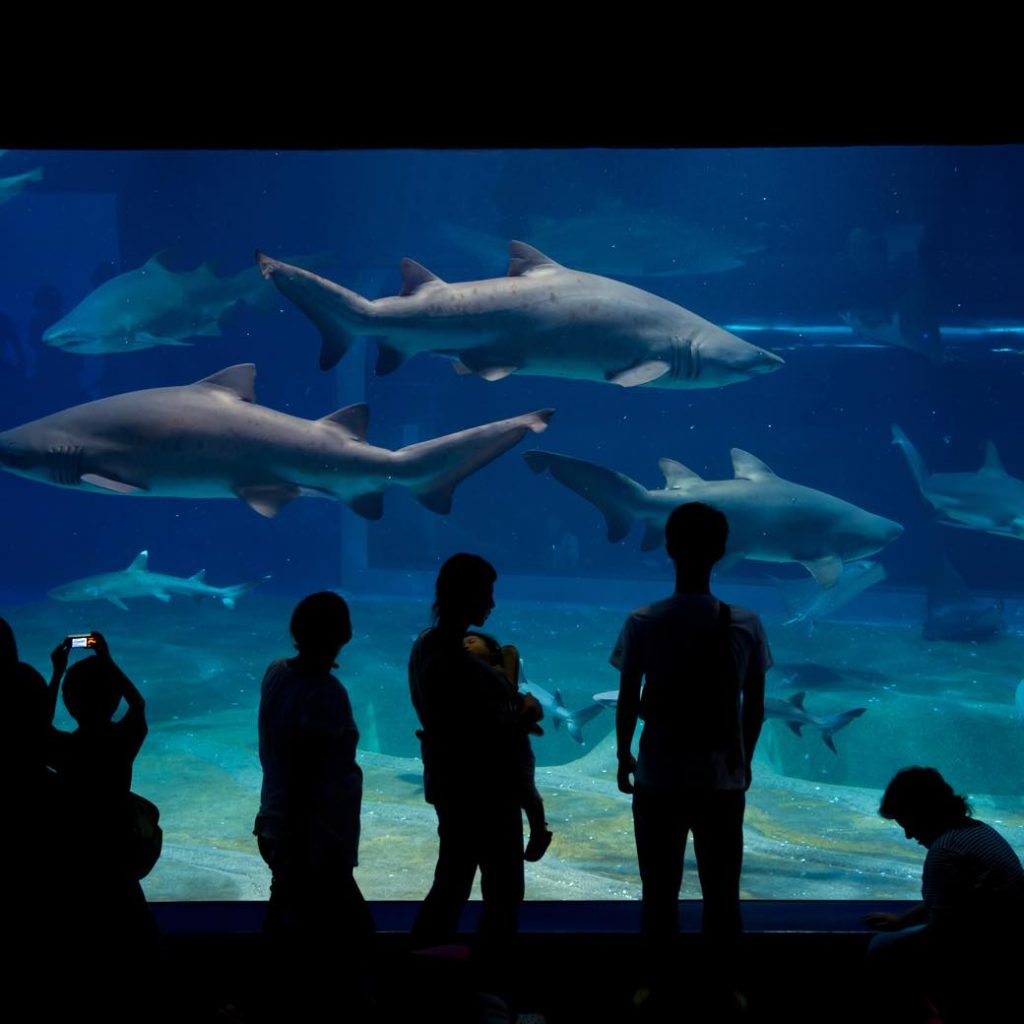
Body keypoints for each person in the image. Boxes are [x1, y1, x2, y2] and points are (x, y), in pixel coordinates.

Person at [612, 502, 771, 1014]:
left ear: (668, 547)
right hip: (722, 781)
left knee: (658, 891)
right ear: (722, 550)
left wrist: (623, 755)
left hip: (658, 777)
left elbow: (628, 698)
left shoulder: (642, 621)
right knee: (722, 893)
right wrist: (744, 762)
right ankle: (726, 989)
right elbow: (755, 706)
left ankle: (655, 987)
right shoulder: (747, 623)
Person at [409, 554, 537, 978]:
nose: (492, 604)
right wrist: (522, 711)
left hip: (449, 785)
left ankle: (425, 978)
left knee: (451, 882)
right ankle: (488, 983)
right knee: (502, 893)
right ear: (466, 596)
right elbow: (483, 731)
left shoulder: (424, 645)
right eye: (486, 594)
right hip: (487, 790)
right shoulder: (459, 663)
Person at [253, 591, 374, 1016]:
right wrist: (304, 844)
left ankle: (266, 1003)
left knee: (288, 920)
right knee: (349, 936)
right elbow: (309, 772)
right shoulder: (325, 694)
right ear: (343, 635)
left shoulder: (276, 673)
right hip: (311, 838)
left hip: (274, 821)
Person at [46, 631, 159, 1019]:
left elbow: (37, 729)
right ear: (113, 701)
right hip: (117, 859)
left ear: (68, 702)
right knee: (132, 932)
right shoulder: (122, 742)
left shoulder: (66, 750)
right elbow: (138, 704)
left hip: (73, 861)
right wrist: (107, 660)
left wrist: (56, 673)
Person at [864, 766, 1024, 1022]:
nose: (909, 835)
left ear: (925, 813)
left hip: (988, 947)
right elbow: (954, 900)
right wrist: (903, 920)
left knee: (881, 946)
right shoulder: (979, 831)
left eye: (908, 823)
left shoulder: (944, 852)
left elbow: (944, 929)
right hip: (1008, 934)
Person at [464, 630, 552, 862]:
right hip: (491, 756)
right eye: (462, 643)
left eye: (472, 641)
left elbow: (527, 708)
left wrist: (528, 714)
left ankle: (539, 831)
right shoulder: (465, 680)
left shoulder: (501, 676)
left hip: (517, 753)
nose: (466, 645)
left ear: (492, 653)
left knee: (527, 792)